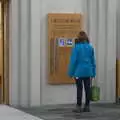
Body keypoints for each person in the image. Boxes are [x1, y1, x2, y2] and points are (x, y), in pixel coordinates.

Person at [68, 31, 96, 112]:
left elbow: (73, 61)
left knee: (79, 88)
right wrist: (94, 72)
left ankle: (78, 106)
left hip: (79, 72)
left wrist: (70, 73)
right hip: (88, 71)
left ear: (78, 38)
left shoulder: (76, 48)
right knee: (87, 89)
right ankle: (87, 106)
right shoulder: (90, 47)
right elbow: (93, 61)